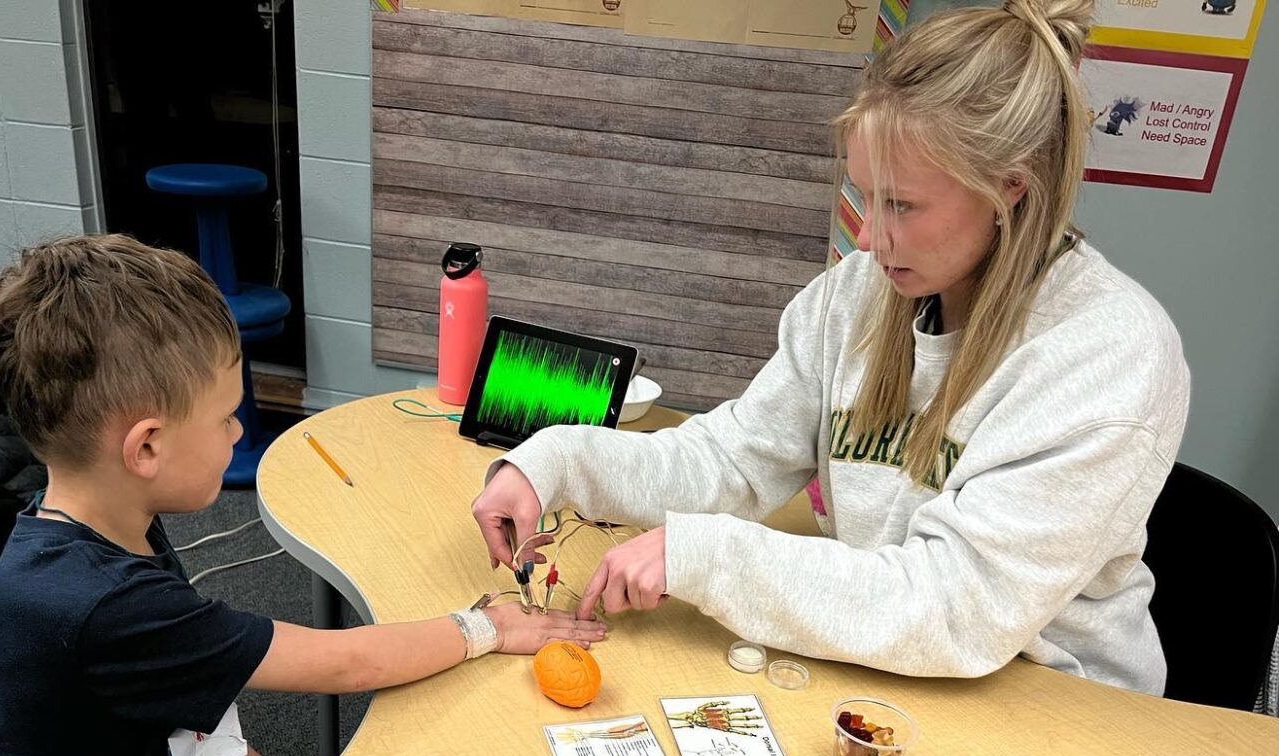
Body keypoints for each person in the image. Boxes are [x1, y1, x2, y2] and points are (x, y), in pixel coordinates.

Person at [0, 234, 605, 756]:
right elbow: (340, 661)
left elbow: (172, 691)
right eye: (226, 417)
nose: (240, 432)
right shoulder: (96, 602)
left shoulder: (105, 528)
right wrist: (481, 629)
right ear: (146, 447)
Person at [472, 0, 1189, 696]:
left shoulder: (1109, 357)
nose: (869, 239)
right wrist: (554, 461)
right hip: (888, 663)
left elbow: (955, 609)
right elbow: (732, 460)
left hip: (1060, 712)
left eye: (902, 205)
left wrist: (706, 556)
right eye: (864, 196)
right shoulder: (861, 293)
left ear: (1009, 189)